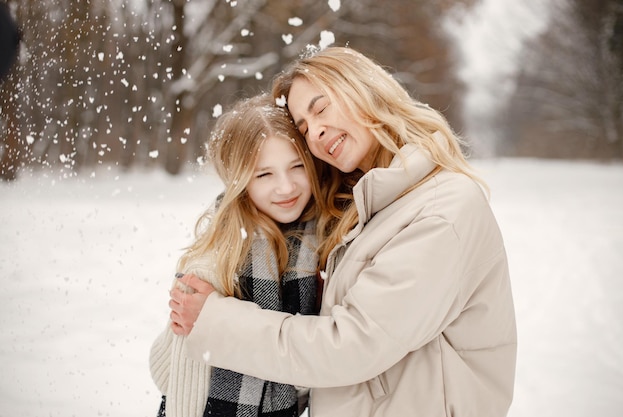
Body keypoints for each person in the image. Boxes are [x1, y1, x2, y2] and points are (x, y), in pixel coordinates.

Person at [170, 46, 517, 417]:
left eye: (320, 108)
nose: (316, 132)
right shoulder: (366, 206)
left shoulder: (440, 211)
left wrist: (215, 322)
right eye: (303, 127)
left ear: (364, 90)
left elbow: (351, 346)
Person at [150, 93, 323, 417]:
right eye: (264, 174)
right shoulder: (220, 254)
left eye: (297, 166)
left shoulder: (319, 242)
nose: (286, 187)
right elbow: (174, 368)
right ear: (239, 180)